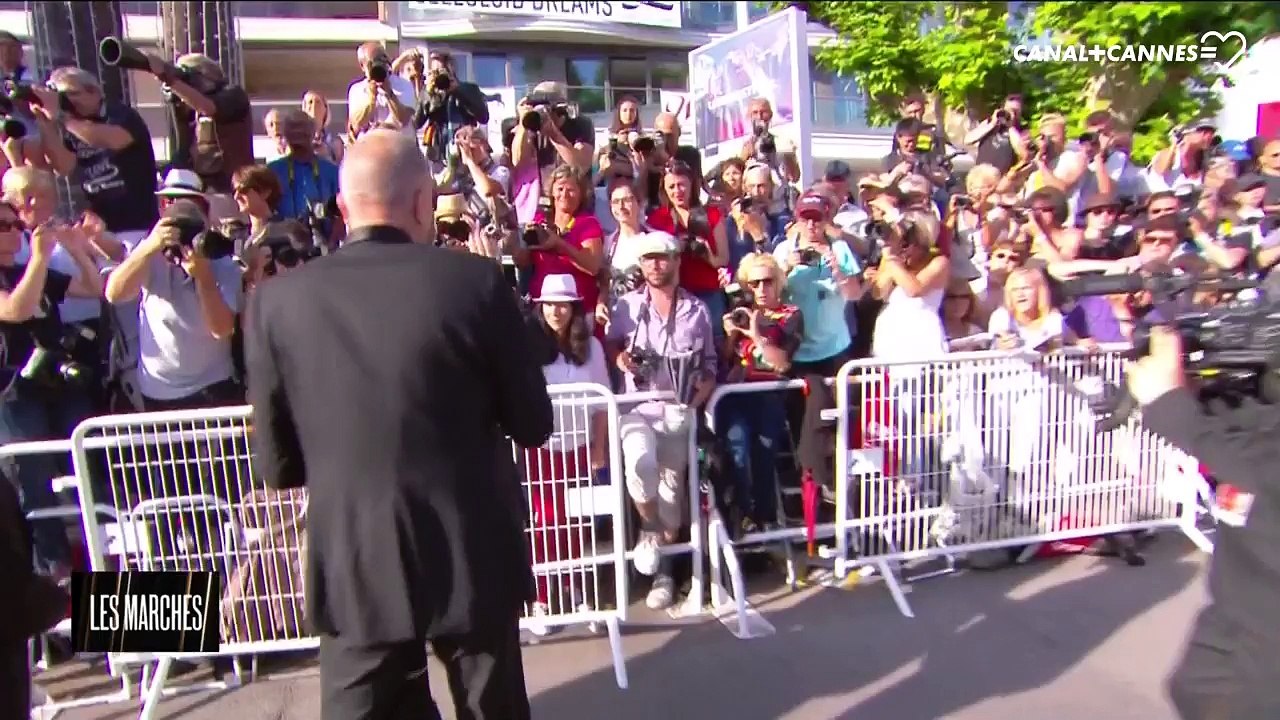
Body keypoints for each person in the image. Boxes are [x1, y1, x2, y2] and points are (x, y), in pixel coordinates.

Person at [245, 129, 552, 719]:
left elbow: (278, 467)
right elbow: (534, 423)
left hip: (357, 557)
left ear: (342, 208)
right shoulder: (476, 283)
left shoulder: (275, 304)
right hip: (471, 548)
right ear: (421, 202)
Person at [1126, 327, 1280, 719]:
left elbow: (1265, 473)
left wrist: (1173, 410)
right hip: (1237, 619)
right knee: (1195, 687)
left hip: (1266, 649)